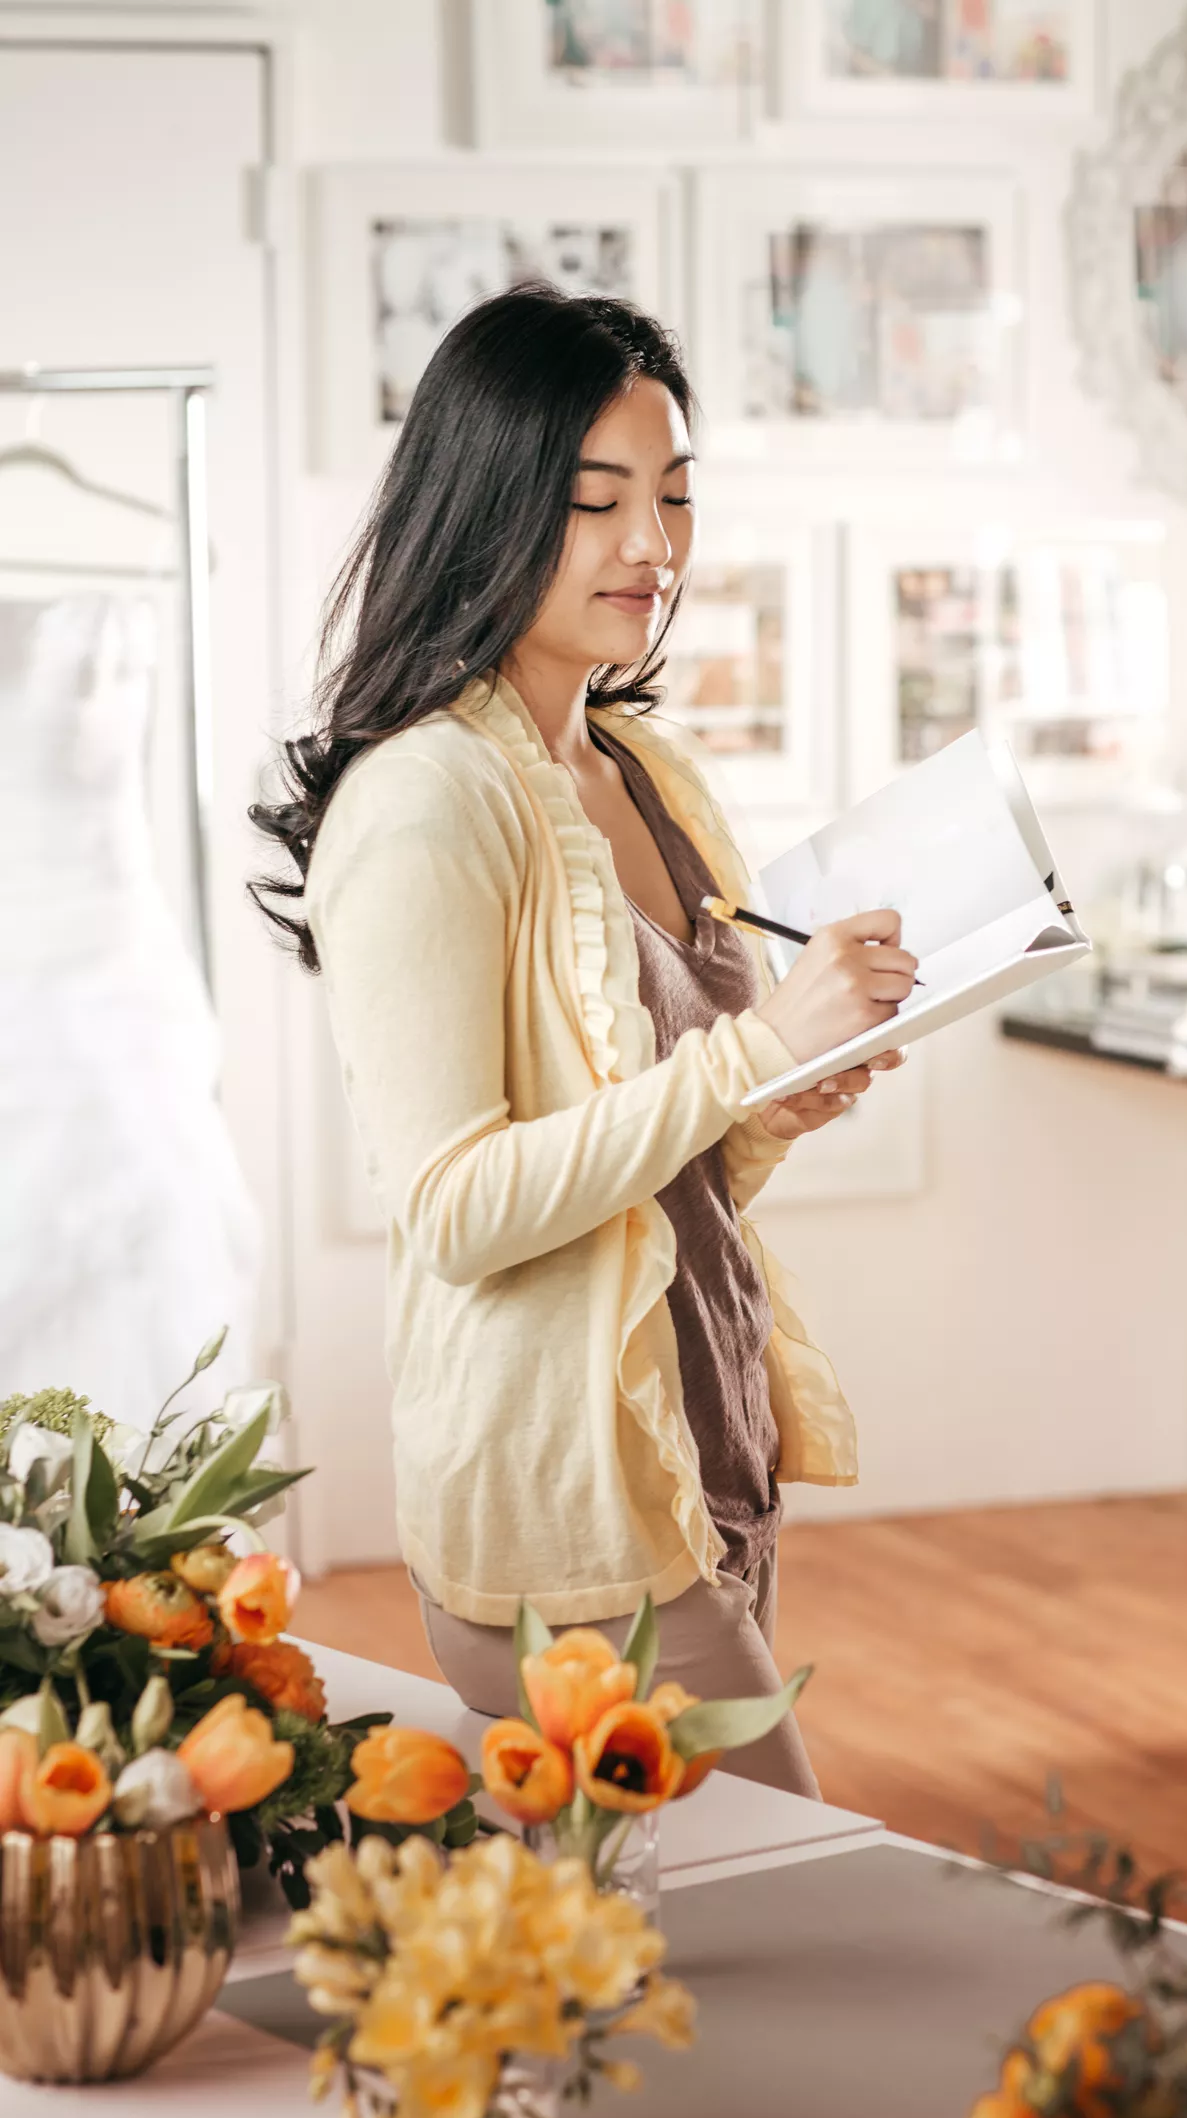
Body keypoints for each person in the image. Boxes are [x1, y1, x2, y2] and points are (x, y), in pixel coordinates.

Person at [249, 285, 917, 1794]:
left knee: (653, 1987)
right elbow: (458, 1206)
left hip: (699, 1454)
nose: (652, 548)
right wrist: (746, 1062)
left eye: (673, 497)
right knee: (791, 1920)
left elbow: (665, 1160)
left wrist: (786, 1090)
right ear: (487, 506)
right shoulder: (427, 797)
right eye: (595, 500)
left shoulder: (642, 763)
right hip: (564, 1513)